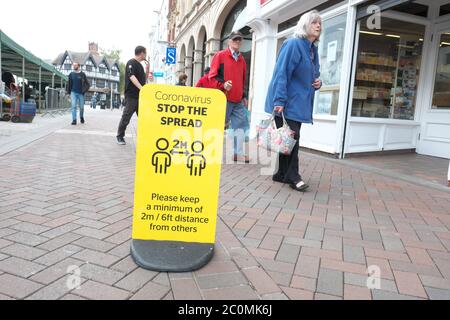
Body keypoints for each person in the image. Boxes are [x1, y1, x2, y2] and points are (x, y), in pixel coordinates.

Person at [264, 10, 322, 192]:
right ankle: (293, 176)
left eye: (320, 23)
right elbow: (282, 73)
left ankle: (281, 174)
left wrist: (318, 82)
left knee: (287, 138)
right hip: (287, 101)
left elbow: (312, 75)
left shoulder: (313, 50)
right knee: (293, 138)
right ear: (305, 25)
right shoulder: (293, 44)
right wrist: (279, 100)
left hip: (300, 101)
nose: (318, 26)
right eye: (314, 22)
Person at [209, 31, 249, 163]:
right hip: (224, 98)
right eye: (235, 39)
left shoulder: (242, 59)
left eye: (239, 40)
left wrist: (244, 96)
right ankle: (210, 151)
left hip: (238, 99)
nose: (237, 42)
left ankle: (237, 153)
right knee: (217, 126)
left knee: (241, 126)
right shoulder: (220, 56)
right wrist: (222, 85)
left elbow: (243, 80)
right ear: (229, 41)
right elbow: (212, 76)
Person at [116, 46, 147, 145]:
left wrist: (148, 69)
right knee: (126, 116)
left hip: (140, 96)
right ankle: (120, 136)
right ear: (142, 53)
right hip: (131, 95)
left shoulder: (141, 66)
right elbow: (132, 76)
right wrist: (141, 88)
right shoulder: (131, 63)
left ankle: (143, 137)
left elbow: (143, 80)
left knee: (143, 117)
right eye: (145, 53)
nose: (145, 55)